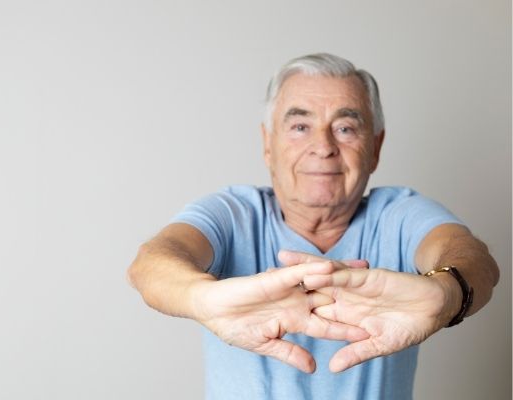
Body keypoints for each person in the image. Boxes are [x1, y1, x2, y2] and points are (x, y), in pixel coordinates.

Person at [127, 53, 499, 399]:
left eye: (346, 128)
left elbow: (474, 259)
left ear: (375, 147)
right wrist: (203, 299)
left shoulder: (399, 213)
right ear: (268, 144)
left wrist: (446, 295)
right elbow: (151, 264)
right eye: (300, 126)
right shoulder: (233, 213)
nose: (323, 146)